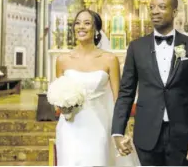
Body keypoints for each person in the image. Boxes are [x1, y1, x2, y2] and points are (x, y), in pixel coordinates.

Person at [112, 0, 188, 166]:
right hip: (146, 133)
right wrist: (118, 132)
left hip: (183, 135)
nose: (154, 11)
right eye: (151, 7)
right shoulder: (136, 47)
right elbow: (126, 92)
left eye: (161, 7)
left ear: (174, 12)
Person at [55, 9, 139, 166]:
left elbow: (118, 100)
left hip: (98, 124)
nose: (81, 27)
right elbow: (58, 95)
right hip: (69, 126)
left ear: (96, 29)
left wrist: (122, 131)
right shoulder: (62, 60)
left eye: (87, 23)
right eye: (78, 23)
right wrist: (63, 105)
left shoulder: (109, 59)